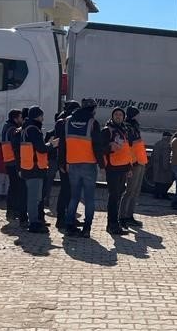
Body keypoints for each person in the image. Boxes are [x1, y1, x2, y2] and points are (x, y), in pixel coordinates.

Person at [64, 98, 104, 237]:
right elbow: (97, 146)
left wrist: (64, 162)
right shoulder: (93, 123)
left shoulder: (68, 121)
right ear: (93, 109)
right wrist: (102, 165)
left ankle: (69, 226)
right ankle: (86, 229)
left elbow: (63, 143)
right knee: (89, 199)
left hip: (72, 164)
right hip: (88, 164)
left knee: (74, 197)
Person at [19, 106, 50, 233]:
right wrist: (51, 144)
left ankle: (34, 220)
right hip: (34, 167)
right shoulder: (33, 129)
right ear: (37, 116)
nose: (43, 118)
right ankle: (34, 223)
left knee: (34, 197)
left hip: (29, 166)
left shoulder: (26, 128)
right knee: (34, 197)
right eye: (41, 116)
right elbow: (41, 148)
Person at [103, 107, 133, 236]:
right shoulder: (107, 130)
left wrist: (129, 168)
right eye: (116, 114)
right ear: (112, 116)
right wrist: (110, 147)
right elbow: (99, 148)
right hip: (112, 168)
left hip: (123, 168)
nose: (118, 116)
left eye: (120, 114)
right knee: (114, 197)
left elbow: (127, 151)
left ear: (124, 117)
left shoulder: (124, 130)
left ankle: (115, 223)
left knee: (118, 196)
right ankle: (112, 225)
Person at [119, 106, 147, 228]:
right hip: (134, 163)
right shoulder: (128, 127)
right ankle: (123, 217)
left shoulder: (135, 127)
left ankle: (129, 216)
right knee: (130, 191)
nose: (139, 116)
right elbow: (128, 148)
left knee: (135, 191)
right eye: (137, 114)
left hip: (140, 162)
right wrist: (130, 164)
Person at [54, 100, 80, 231]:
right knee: (66, 191)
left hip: (70, 160)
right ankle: (61, 218)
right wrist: (63, 163)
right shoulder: (63, 122)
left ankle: (70, 216)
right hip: (65, 161)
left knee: (71, 192)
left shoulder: (67, 121)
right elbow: (62, 145)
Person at [1, 108, 26, 225]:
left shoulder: (7, 127)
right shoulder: (12, 129)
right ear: (15, 119)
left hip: (9, 160)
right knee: (16, 187)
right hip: (13, 161)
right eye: (20, 117)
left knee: (13, 186)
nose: (22, 119)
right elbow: (16, 146)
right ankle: (13, 210)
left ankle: (12, 210)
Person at [151, 130, 173, 199]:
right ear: (167, 137)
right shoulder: (166, 145)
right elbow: (165, 157)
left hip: (156, 165)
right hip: (162, 166)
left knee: (157, 181)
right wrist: (166, 167)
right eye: (170, 137)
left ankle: (156, 194)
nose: (170, 139)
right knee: (165, 181)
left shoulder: (157, 143)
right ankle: (164, 195)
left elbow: (153, 155)